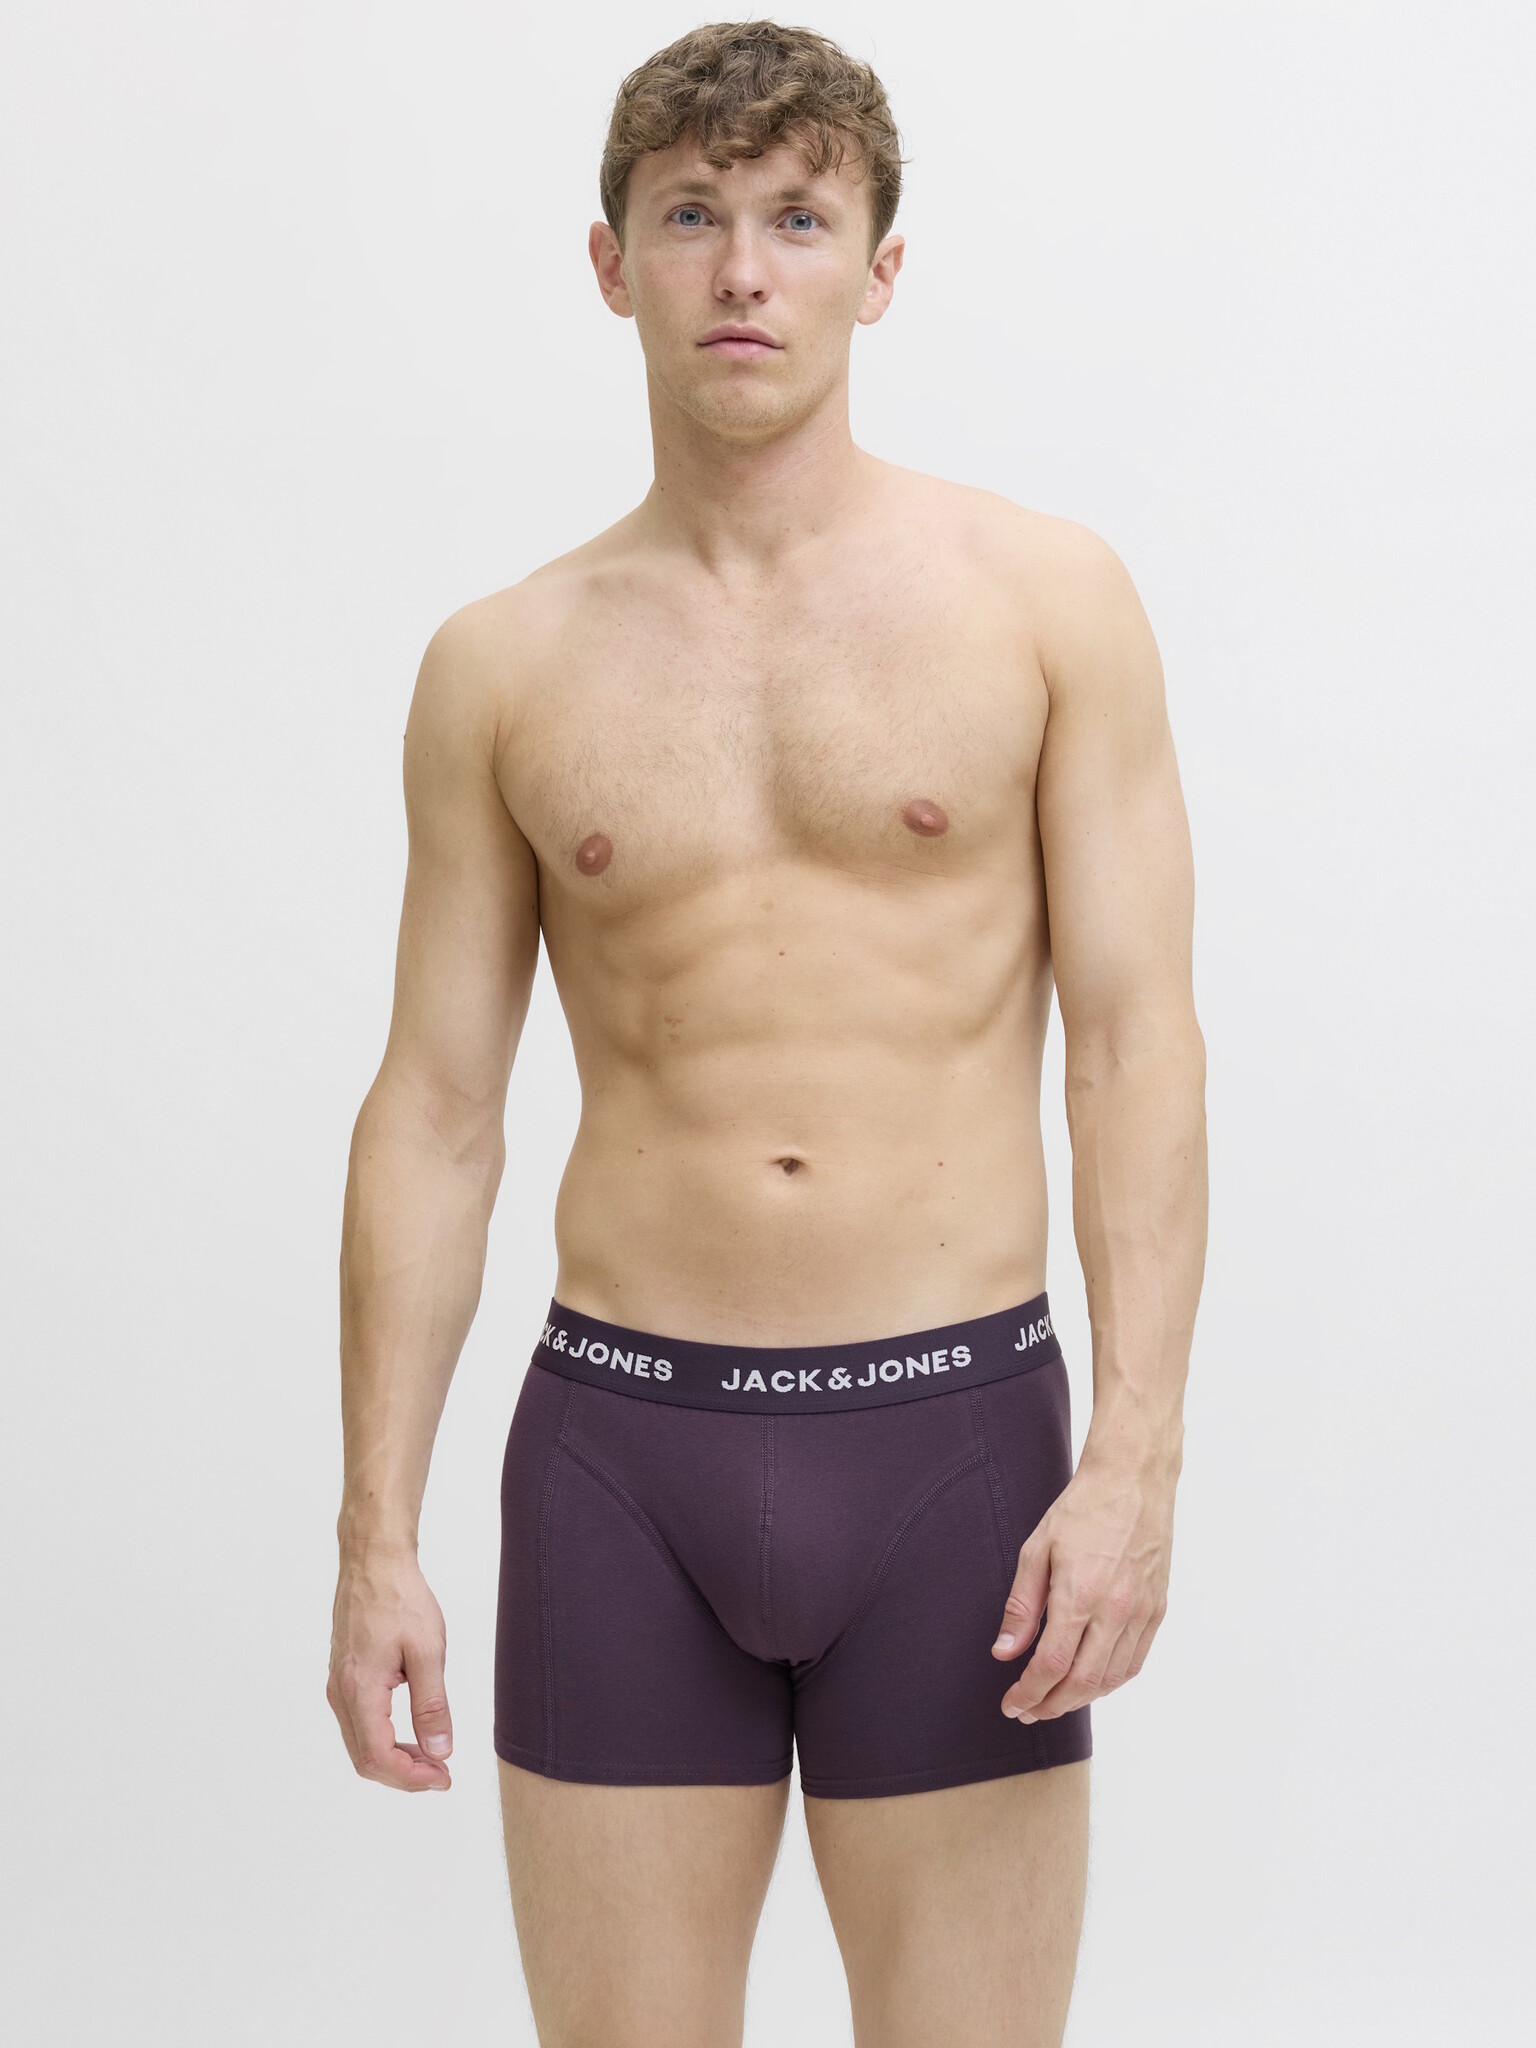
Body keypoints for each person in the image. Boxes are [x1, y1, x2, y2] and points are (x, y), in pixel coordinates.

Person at [327, 19, 1207, 2047]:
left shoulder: (1045, 604)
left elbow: (1137, 1046)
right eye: (691, 215)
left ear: (880, 270)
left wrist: (1138, 1457)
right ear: (610, 261)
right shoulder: (501, 666)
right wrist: (375, 1534)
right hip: (621, 1456)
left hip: (957, 1450)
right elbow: (436, 1110)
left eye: (799, 220)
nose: (743, 271)